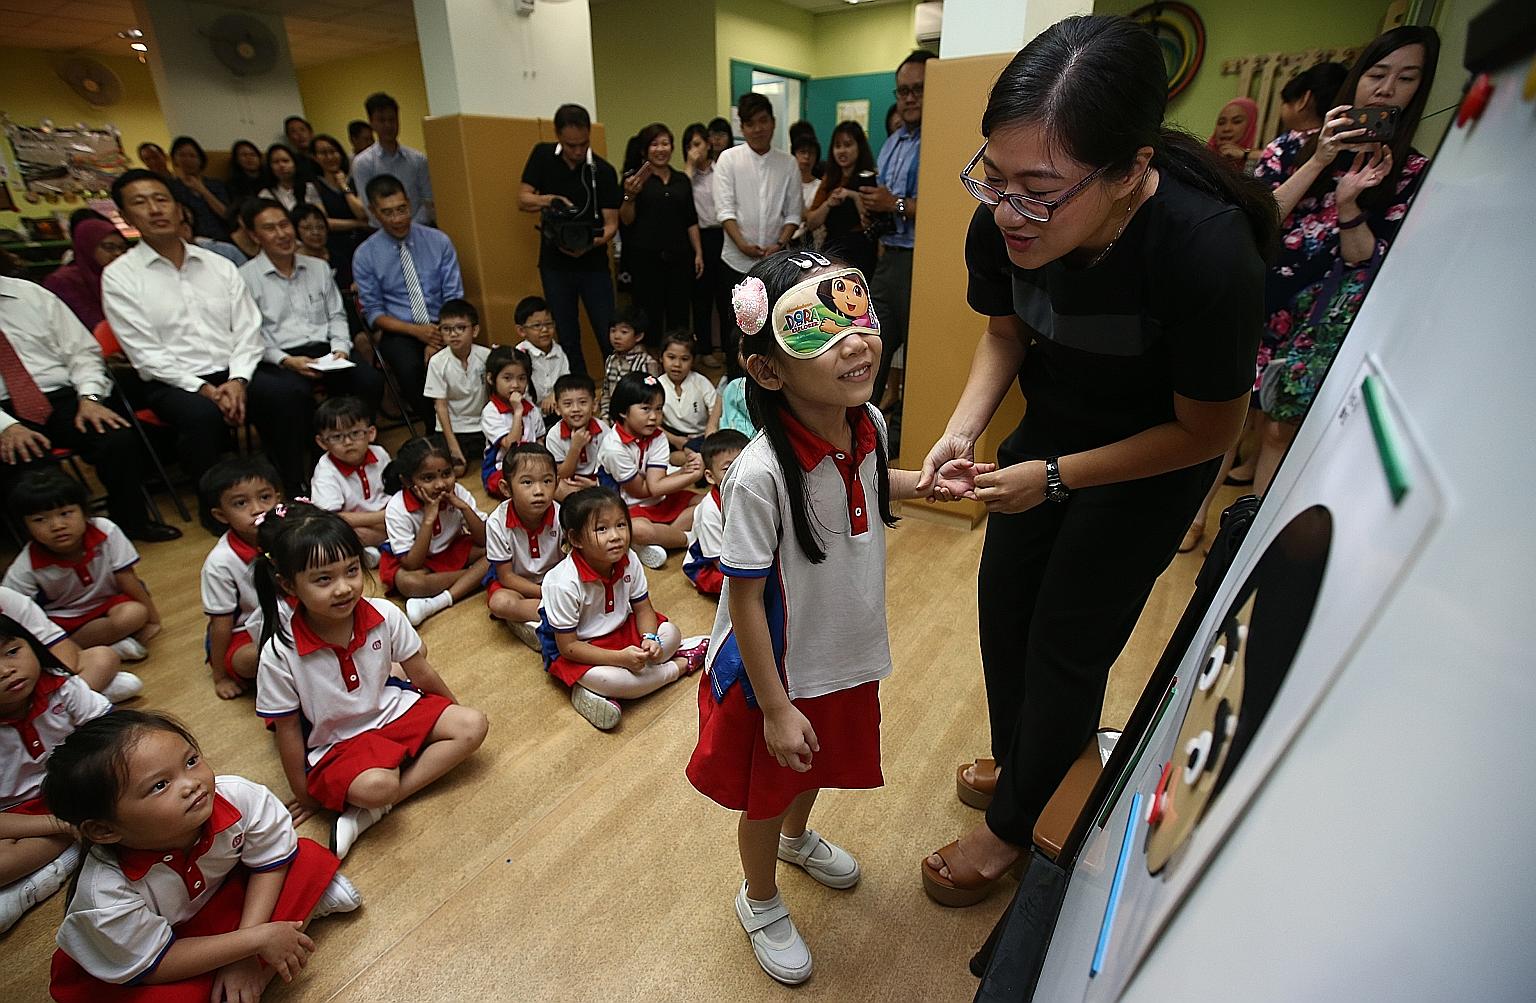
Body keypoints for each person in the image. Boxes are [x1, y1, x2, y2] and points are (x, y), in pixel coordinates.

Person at [917, 14, 1272, 907]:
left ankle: (1012, 830)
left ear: (1131, 172)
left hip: (1152, 463)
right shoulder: (1003, 219)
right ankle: (1024, 766)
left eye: (1038, 189)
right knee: (1004, 606)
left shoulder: (1204, 251)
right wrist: (963, 429)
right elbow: (1004, 335)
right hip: (1050, 438)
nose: (1007, 210)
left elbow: (1206, 431)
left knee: (1066, 639)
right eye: (993, 177)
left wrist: (1061, 477)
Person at [684, 250, 957, 986]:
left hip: (841, 647)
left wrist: (927, 480)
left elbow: (867, 483)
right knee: (768, 789)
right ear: (769, 370)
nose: (855, 341)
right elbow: (743, 596)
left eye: (856, 314)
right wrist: (774, 707)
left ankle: (798, 841)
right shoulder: (759, 473)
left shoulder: (865, 418)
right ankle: (760, 895)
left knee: (820, 762)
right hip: (776, 668)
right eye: (816, 328)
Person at [44, 710, 361, 1000]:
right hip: (164, 948)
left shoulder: (237, 797)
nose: (191, 784)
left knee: (304, 858)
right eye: (159, 785)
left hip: (228, 901)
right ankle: (285, 934)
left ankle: (265, 956)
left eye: (191, 761)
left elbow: (268, 863)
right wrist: (251, 944)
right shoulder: (103, 893)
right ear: (103, 830)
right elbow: (156, 963)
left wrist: (245, 948)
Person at [1247, 26, 1438, 496]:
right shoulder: (1291, 148)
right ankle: (1194, 520)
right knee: (1227, 418)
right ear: (1358, 78)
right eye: (1377, 73)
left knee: (1279, 431)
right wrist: (1319, 159)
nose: (1387, 88)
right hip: (1258, 295)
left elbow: (1366, 265)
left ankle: (1237, 540)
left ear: (1421, 88)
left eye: (1407, 78)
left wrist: (1350, 206)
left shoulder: (1412, 172)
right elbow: (1253, 223)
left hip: (1323, 319)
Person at [253, 504, 487, 857]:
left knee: (473, 724)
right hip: (339, 741)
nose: (344, 588)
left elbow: (421, 670)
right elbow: (287, 730)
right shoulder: (279, 651)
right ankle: (379, 800)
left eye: (351, 571)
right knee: (379, 785)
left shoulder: (385, 613)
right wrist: (306, 797)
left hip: (393, 711)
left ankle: (374, 811)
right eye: (323, 579)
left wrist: (448, 713)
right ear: (288, 585)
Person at [101, 170, 314, 493]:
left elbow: (247, 329)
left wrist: (238, 379)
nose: (155, 210)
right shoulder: (120, 277)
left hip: (234, 371)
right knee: (202, 416)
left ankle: (296, 487)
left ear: (179, 208)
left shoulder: (218, 265)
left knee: (289, 393)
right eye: (141, 203)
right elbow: (145, 355)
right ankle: (215, 507)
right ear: (125, 215)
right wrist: (204, 389)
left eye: (162, 200)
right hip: (174, 382)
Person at [0, 273, 181, 542]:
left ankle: (131, 524)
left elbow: (83, 353)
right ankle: (52, 547)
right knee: (27, 460)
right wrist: (7, 426)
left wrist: (91, 398)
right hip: (5, 412)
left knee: (117, 437)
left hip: (63, 396)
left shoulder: (30, 294)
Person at [535, 485, 709, 731]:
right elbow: (569, 648)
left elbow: (643, 609)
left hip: (620, 631)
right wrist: (620, 659)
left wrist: (650, 639)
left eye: (621, 525)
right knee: (615, 679)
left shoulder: (629, 559)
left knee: (671, 633)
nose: (616, 536)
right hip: (581, 647)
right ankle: (678, 666)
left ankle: (608, 690)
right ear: (575, 539)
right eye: (602, 529)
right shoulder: (563, 582)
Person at [0, 614, 111, 933]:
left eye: (12, 652)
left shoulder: (62, 687)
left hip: (69, 790)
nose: (7, 670)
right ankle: (76, 848)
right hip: (14, 814)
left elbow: (109, 740)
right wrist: (57, 824)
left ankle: (46, 873)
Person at [239, 199, 385, 416]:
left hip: (326, 350)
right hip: (279, 356)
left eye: (285, 225)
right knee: (290, 394)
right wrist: (286, 360)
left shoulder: (319, 268)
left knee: (369, 381)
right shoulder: (244, 277)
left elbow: (336, 315)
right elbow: (252, 333)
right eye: (270, 228)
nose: (282, 234)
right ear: (254, 236)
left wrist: (341, 350)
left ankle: (357, 443)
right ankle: (314, 445)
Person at [3, 470, 159, 661]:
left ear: (84, 511)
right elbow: (16, 617)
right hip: (64, 621)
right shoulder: (25, 567)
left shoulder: (105, 530)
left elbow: (126, 577)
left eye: (65, 513)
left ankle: (88, 650)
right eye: (40, 520)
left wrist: (153, 620)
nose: (57, 525)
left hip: (109, 603)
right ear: (25, 526)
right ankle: (94, 650)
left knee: (135, 613)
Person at [353, 174, 464, 429]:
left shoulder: (438, 241)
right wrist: (419, 333)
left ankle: (467, 428)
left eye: (402, 209)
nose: (398, 219)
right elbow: (374, 314)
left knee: (461, 358)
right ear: (374, 212)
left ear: (410, 204)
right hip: (400, 328)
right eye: (388, 212)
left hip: (444, 321)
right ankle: (434, 429)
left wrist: (437, 336)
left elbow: (454, 295)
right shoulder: (365, 255)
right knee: (410, 367)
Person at [518, 103, 622, 373]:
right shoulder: (542, 156)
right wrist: (550, 200)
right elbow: (523, 198)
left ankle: (617, 388)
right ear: (558, 135)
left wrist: (591, 243)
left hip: (594, 264)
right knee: (566, 334)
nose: (577, 151)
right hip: (555, 264)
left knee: (607, 331)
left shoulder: (603, 171)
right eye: (570, 145)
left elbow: (611, 224)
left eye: (583, 144)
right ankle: (578, 393)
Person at [863, 49, 936, 410]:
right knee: (870, 347)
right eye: (903, 90)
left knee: (922, 360)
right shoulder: (891, 143)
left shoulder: (940, 142)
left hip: (922, 264)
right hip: (888, 258)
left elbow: (942, 210)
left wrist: (895, 204)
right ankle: (862, 436)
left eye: (918, 89)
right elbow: (887, 200)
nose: (909, 98)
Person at [714, 92, 802, 381]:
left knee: (771, 328)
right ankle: (735, 385)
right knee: (735, 330)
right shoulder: (728, 159)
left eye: (763, 121)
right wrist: (741, 243)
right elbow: (724, 210)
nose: (758, 128)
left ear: (773, 123)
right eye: (750, 123)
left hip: (773, 262)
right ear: (742, 127)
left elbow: (793, 213)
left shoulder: (787, 163)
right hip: (735, 262)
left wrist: (780, 243)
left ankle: (767, 383)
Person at [381, 436, 489, 626]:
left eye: (446, 474)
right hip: (420, 561)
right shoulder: (397, 507)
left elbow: (484, 540)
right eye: (428, 478)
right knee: (409, 583)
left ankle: (436, 602)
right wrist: (429, 519)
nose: (440, 484)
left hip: (453, 549)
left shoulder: (458, 492)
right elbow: (412, 563)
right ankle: (475, 577)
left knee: (498, 553)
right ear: (407, 481)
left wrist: (464, 508)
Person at [597, 371, 702, 564]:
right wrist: (693, 475)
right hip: (628, 506)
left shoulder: (657, 436)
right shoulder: (614, 447)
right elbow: (645, 490)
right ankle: (687, 539)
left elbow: (656, 482)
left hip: (659, 499)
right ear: (622, 411)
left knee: (706, 503)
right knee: (639, 530)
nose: (654, 417)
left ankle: (661, 540)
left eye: (659, 409)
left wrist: (684, 471)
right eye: (646, 409)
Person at [198, 456, 281, 699]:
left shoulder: (288, 535)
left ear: (278, 497)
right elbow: (221, 624)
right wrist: (220, 676)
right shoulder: (220, 562)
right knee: (258, 657)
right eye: (241, 503)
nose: (257, 509)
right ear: (221, 515)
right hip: (242, 632)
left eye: (265, 497)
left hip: (287, 617)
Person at [621, 122, 704, 339]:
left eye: (665, 143)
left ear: (673, 147)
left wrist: (698, 252)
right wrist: (630, 196)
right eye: (654, 144)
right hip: (646, 260)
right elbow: (626, 220)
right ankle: (651, 363)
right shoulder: (634, 180)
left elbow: (690, 219)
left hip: (679, 258)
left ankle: (679, 359)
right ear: (644, 150)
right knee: (649, 314)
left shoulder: (681, 180)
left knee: (679, 313)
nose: (660, 149)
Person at [0, 585, 139, 703]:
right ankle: (82, 703)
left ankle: (71, 704)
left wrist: (67, 687)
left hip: (39, 680)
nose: (5, 670)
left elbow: (60, 646)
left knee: (102, 658)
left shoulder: (6, 598)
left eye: (12, 652)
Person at [485, 443, 562, 650]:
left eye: (547, 481)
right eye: (527, 482)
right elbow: (506, 577)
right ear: (506, 488)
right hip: (516, 586)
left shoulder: (561, 515)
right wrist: (547, 594)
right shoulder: (496, 522)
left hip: (555, 583)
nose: (539, 491)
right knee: (500, 603)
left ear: (557, 483)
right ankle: (555, 616)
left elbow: (571, 562)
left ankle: (535, 621)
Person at [309, 395, 391, 558]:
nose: (347, 442)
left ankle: (379, 548)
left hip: (386, 516)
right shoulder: (326, 471)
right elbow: (331, 517)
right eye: (337, 437)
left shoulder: (380, 453)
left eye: (355, 433)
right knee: (341, 534)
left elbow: (394, 490)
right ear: (322, 442)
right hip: (358, 525)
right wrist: (382, 517)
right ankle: (384, 545)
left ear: (371, 433)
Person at [423, 297, 491, 476]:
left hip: (482, 425)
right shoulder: (437, 362)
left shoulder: (486, 356)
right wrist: (453, 445)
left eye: (460, 328)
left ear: (474, 330)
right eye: (447, 329)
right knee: (457, 469)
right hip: (454, 427)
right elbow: (440, 405)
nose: (453, 334)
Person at [802, 121, 879, 277]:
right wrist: (829, 203)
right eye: (837, 146)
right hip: (832, 248)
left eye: (848, 145)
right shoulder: (829, 178)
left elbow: (869, 222)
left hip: (860, 249)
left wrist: (852, 195)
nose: (842, 151)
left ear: (859, 147)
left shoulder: (869, 177)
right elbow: (811, 222)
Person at [351, 92, 435, 227]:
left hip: (419, 228)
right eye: (382, 120)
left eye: (392, 120)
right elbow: (369, 206)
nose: (388, 125)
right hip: (382, 232)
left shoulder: (418, 160)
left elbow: (428, 200)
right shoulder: (363, 163)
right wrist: (395, 227)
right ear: (372, 123)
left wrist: (410, 227)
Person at [681, 428, 747, 597]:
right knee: (740, 590)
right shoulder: (710, 511)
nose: (738, 473)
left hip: (741, 552)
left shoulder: (753, 491)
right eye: (728, 469)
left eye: (744, 464)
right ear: (710, 477)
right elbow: (720, 563)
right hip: (706, 564)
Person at [683, 122, 728, 356]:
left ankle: (727, 348)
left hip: (723, 234)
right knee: (701, 296)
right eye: (690, 145)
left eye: (698, 144)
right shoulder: (685, 175)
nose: (695, 150)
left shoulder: (721, 169)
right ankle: (704, 350)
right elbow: (680, 197)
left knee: (724, 295)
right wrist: (690, 165)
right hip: (697, 237)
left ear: (709, 144)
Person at [480, 346, 544, 494]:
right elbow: (511, 446)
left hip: (533, 464)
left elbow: (540, 440)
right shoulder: (491, 411)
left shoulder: (532, 408)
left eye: (521, 378)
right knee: (515, 486)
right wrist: (518, 412)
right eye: (507, 378)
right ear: (491, 379)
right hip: (501, 468)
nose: (515, 385)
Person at [44, 219, 126, 330]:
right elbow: (92, 323)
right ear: (88, 246)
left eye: (121, 248)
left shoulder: (118, 275)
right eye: (109, 247)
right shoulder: (63, 281)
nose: (118, 253)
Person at [308, 134, 372, 262]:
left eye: (333, 151)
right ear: (315, 157)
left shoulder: (354, 180)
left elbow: (361, 212)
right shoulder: (314, 187)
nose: (330, 157)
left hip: (364, 243)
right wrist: (357, 224)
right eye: (323, 153)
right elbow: (324, 222)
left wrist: (344, 187)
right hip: (337, 247)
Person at [545, 373, 607, 500]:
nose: (576, 409)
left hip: (597, 481)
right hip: (570, 482)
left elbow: (610, 467)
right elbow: (561, 474)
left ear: (594, 405)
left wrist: (595, 484)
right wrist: (575, 448)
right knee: (556, 487)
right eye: (568, 404)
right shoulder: (554, 435)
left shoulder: (603, 430)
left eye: (583, 402)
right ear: (557, 408)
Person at [658, 331, 719, 459]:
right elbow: (653, 422)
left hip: (701, 437)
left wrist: (709, 434)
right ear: (661, 357)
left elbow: (715, 411)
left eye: (684, 359)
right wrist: (675, 440)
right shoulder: (658, 385)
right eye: (671, 357)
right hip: (670, 437)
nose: (677, 364)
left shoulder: (701, 382)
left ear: (693, 361)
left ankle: (686, 458)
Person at [598, 306, 661, 415]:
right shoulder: (610, 360)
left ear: (638, 336)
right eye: (613, 331)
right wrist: (605, 417)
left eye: (624, 332)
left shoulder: (646, 363)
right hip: (613, 419)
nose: (616, 336)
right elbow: (606, 393)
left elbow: (651, 396)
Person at [168, 136, 231, 241]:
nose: (187, 160)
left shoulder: (216, 184)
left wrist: (203, 190)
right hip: (192, 240)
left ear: (200, 159)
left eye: (192, 156)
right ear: (175, 159)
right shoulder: (171, 187)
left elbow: (226, 214)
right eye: (182, 155)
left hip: (223, 237)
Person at [513, 295, 568, 412]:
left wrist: (555, 394)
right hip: (528, 413)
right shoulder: (518, 355)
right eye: (537, 326)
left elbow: (566, 381)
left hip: (556, 409)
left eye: (548, 324)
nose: (544, 330)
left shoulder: (558, 351)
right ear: (521, 331)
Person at [259, 143, 322, 214]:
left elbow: (321, 214)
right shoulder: (266, 194)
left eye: (285, 161)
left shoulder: (309, 187)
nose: (281, 165)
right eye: (276, 162)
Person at [1208, 97, 1260, 169]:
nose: (1226, 129)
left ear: (1250, 127)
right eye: (1221, 123)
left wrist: (1245, 155)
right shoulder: (1202, 157)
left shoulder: (1262, 165)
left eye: (1237, 121)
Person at [791, 133, 823, 242]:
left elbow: (812, 217)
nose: (807, 157)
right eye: (802, 152)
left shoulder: (820, 187)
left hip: (808, 239)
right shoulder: (786, 183)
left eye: (811, 153)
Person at [225, 139, 268, 204]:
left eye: (253, 154)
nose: (249, 158)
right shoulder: (233, 184)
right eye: (244, 155)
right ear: (237, 160)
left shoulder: (271, 177)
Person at [283, 114, 322, 181]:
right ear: (289, 138)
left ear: (311, 133)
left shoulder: (324, 156)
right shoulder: (293, 163)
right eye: (293, 131)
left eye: (302, 129)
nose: (300, 134)